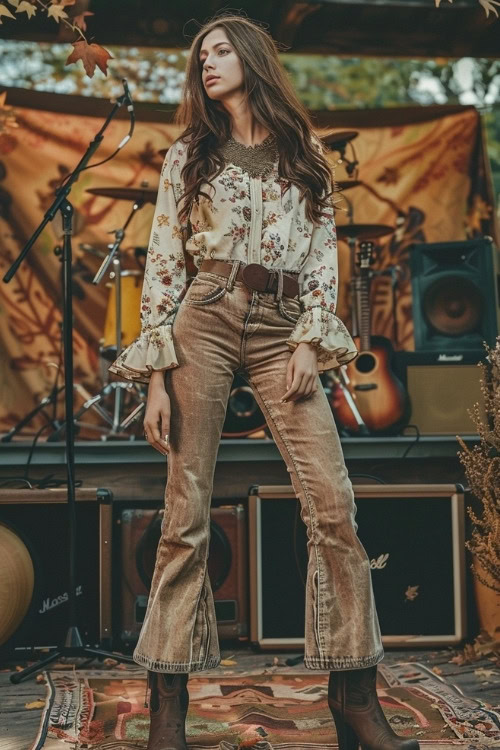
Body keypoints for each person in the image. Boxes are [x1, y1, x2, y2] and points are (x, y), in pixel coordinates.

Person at [109, 13, 420, 750]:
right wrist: (155, 375)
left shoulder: (303, 150)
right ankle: (168, 713)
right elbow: (162, 260)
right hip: (204, 318)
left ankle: (354, 699)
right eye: (201, 55)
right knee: (184, 518)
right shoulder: (189, 152)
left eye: (220, 50)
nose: (208, 63)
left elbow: (322, 250)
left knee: (334, 506)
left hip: (286, 325)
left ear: (251, 57)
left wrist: (314, 335)